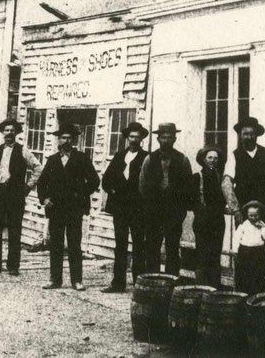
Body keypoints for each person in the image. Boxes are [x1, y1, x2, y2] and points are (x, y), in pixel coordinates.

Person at [36, 122, 101, 291]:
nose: (66, 141)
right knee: (56, 244)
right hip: (56, 208)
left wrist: (81, 194)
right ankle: (55, 279)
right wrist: (44, 199)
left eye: (69, 138)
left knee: (74, 245)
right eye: (63, 138)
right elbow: (41, 183)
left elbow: (94, 180)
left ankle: (77, 280)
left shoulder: (81, 158)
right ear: (58, 140)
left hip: (74, 209)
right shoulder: (52, 160)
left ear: (73, 141)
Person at [0, 118, 43, 276]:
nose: (9, 133)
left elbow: (38, 168)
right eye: (6, 130)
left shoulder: (23, 150)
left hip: (15, 195)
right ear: (3, 133)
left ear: (16, 133)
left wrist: (28, 186)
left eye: (12, 130)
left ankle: (13, 266)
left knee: (14, 230)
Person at [100, 121, 150, 293]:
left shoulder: (147, 157)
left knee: (138, 245)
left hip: (138, 208)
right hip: (120, 208)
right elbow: (106, 179)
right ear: (127, 138)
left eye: (137, 137)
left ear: (141, 139)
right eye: (131, 137)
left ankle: (138, 283)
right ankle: (118, 283)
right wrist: (114, 191)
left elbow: (149, 183)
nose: (134, 140)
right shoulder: (119, 155)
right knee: (120, 244)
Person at [139, 122, 193, 276]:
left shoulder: (182, 160)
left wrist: (180, 210)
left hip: (174, 212)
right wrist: (150, 205)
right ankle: (152, 280)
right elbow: (142, 185)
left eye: (170, 138)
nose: (166, 141)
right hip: (153, 211)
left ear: (174, 139)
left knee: (172, 247)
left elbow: (188, 187)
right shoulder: (150, 159)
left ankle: (171, 281)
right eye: (163, 137)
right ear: (158, 139)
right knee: (152, 247)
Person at [191, 145, 226, 288]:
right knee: (202, 253)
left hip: (217, 220)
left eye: (216, 158)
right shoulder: (197, 177)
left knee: (215, 253)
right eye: (210, 157)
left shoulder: (221, 177)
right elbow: (191, 199)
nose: (213, 160)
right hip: (202, 220)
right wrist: (200, 210)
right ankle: (201, 287)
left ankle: (215, 287)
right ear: (203, 160)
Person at [233, 200, 265, 295]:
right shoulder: (243, 225)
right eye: (251, 215)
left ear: (260, 215)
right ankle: (244, 293)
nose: (253, 218)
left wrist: (263, 227)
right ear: (247, 215)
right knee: (245, 273)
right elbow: (236, 237)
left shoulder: (262, 224)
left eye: (256, 215)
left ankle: (256, 294)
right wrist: (235, 250)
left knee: (257, 273)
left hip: (258, 252)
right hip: (245, 252)